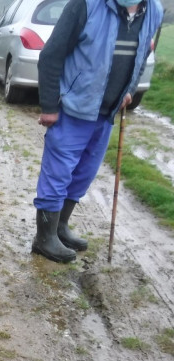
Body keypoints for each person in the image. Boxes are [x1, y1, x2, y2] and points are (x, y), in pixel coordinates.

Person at [32, 0, 163, 263]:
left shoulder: (154, 11)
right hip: (72, 108)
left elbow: (141, 57)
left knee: (84, 174)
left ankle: (60, 227)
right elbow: (51, 55)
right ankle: (44, 237)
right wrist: (49, 105)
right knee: (58, 174)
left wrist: (129, 90)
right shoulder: (85, 5)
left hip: (107, 112)